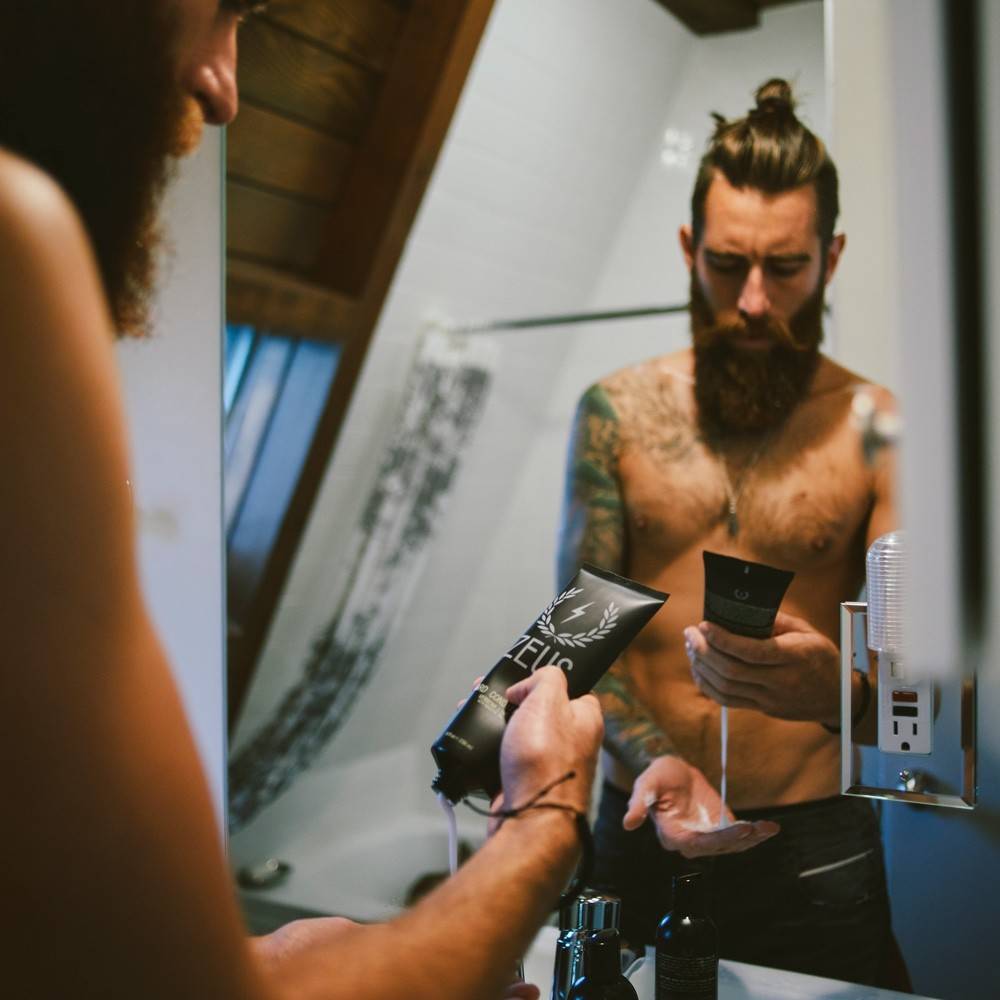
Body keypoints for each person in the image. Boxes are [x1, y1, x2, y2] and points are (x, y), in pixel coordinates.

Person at [0, 3, 602, 998]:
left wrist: (258, 957)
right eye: (221, 13)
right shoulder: (16, 239)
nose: (225, 88)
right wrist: (546, 817)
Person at [558, 79, 903, 988]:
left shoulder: (878, 427)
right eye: (725, 263)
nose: (752, 301)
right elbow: (578, 645)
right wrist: (665, 765)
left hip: (814, 838)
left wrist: (843, 691)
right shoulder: (615, 414)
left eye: (786, 268)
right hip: (642, 813)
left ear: (829, 257)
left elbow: (921, 695)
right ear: (687, 247)